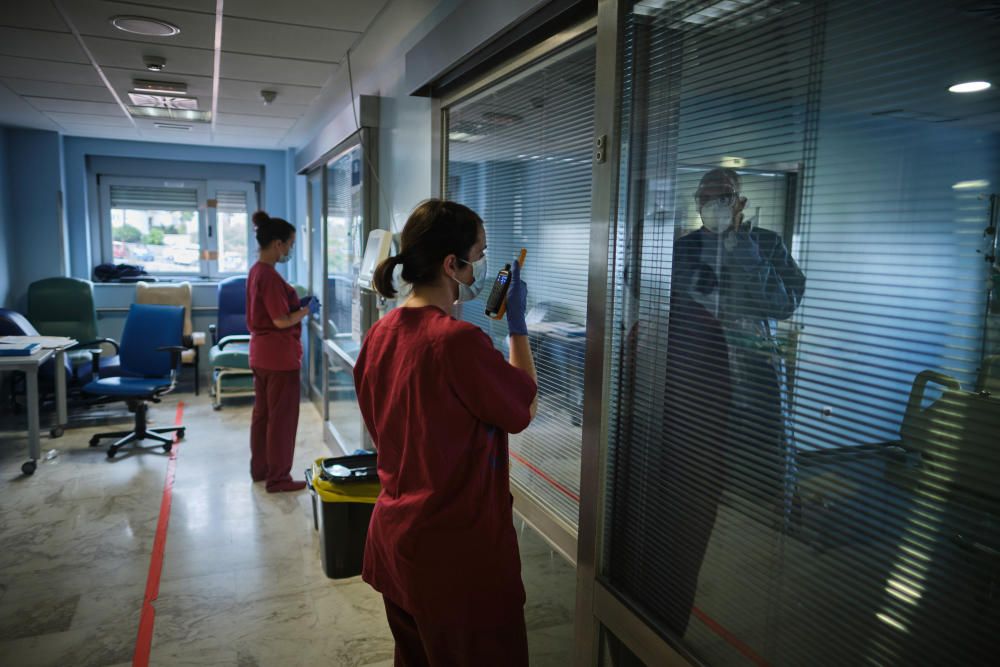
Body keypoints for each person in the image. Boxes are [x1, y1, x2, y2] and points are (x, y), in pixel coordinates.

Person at [353, 199, 538, 666]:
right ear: (451, 265)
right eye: (478, 255)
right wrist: (517, 325)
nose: (482, 267)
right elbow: (524, 405)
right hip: (458, 559)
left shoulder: (382, 332)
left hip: (400, 546)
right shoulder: (455, 342)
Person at [246, 210, 317, 493]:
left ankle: (260, 470)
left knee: (262, 415)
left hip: (260, 355)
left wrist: (297, 304)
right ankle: (278, 478)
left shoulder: (255, 272)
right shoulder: (271, 277)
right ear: (278, 244)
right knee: (282, 419)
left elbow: (268, 311)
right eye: (289, 244)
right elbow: (280, 320)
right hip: (279, 358)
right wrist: (306, 310)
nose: (289, 250)